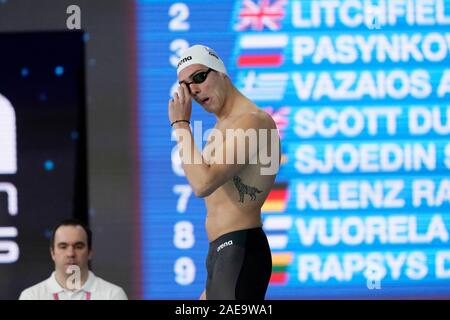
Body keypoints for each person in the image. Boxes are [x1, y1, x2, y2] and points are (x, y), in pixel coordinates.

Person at [169, 44, 281, 300]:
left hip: (240, 249)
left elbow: (203, 184)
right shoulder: (222, 127)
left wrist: (181, 125)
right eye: (185, 86)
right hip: (222, 254)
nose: (194, 91)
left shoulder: (254, 121)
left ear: (221, 72)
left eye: (199, 77)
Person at [19, 219, 128, 300]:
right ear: (52, 253)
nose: (71, 253)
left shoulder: (112, 295)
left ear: (90, 252)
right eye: (63, 246)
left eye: (78, 246)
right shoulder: (31, 296)